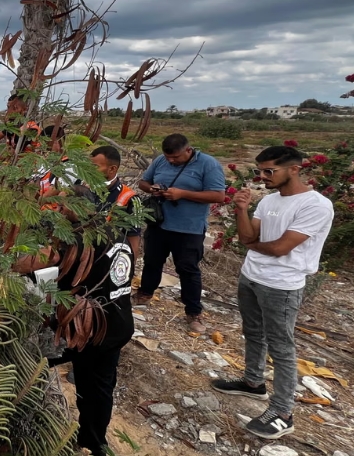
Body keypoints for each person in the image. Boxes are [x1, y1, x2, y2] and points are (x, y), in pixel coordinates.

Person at [212, 146, 334, 439]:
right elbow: (247, 237)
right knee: (253, 332)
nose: (262, 176)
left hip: (282, 284)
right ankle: (253, 382)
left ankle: (282, 412)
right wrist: (242, 210)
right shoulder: (269, 201)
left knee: (281, 345)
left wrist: (253, 246)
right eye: (259, 171)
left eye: (269, 171)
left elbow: (280, 248)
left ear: (294, 169)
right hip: (251, 276)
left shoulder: (315, 205)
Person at [13, 187, 135, 456]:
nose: (58, 209)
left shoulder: (76, 238)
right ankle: (93, 449)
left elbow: (35, 261)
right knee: (98, 389)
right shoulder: (117, 234)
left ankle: (17, 424)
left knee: (25, 360)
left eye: (63, 205)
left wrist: (5, 262)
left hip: (85, 329)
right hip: (117, 325)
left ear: (77, 208)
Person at [136, 134, 226, 333]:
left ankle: (193, 312)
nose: (171, 161)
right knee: (151, 261)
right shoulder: (160, 160)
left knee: (188, 269)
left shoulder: (208, 164)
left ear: (188, 150)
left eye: (175, 158)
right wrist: (153, 189)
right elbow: (143, 182)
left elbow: (219, 195)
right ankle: (144, 293)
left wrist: (182, 194)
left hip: (189, 229)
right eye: (168, 158)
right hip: (159, 224)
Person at [90, 145, 142, 258]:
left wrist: (129, 270)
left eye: (95, 167)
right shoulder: (82, 189)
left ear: (112, 169)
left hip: (108, 257)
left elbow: (133, 239)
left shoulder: (131, 199)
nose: (89, 171)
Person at [0, 94, 42, 162]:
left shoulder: (29, 129)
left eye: (15, 108)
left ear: (25, 109)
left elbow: (13, 153)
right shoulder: (13, 126)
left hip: (30, 167)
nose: (10, 111)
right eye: (8, 107)